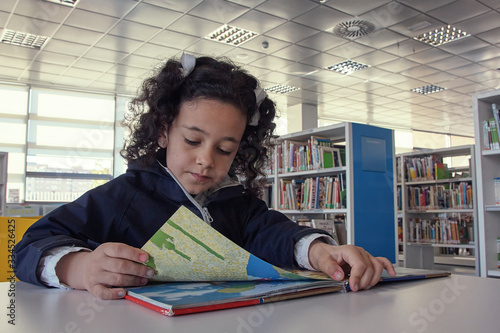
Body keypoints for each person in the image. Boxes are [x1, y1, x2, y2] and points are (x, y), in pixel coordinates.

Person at [14, 53, 396, 300]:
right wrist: (78, 267)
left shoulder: (237, 203)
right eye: (193, 140)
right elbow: (30, 245)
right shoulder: (121, 196)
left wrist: (320, 252)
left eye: (225, 149)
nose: (205, 161)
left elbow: (274, 233)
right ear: (163, 131)